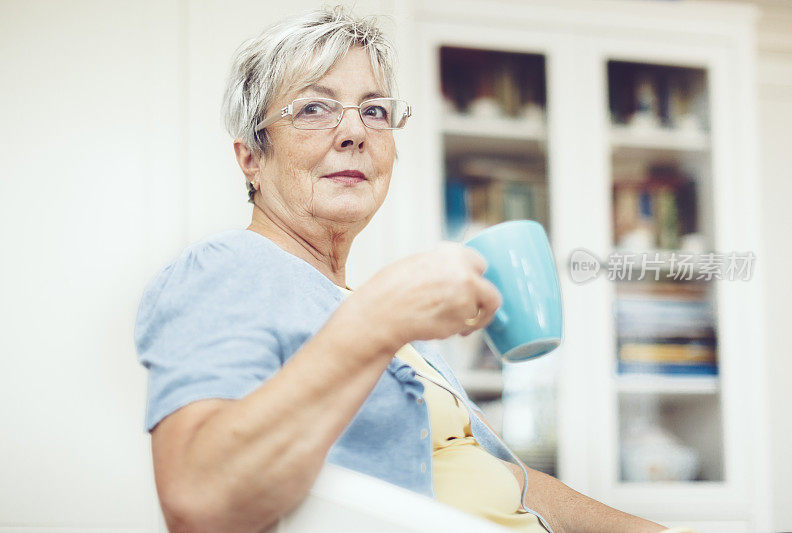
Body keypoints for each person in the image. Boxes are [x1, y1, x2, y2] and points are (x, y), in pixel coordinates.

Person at [134, 6, 679, 533]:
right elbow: (197, 503)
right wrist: (379, 319)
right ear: (252, 157)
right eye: (313, 109)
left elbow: (501, 479)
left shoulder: (380, 317)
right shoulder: (227, 269)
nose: (355, 133)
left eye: (374, 110)